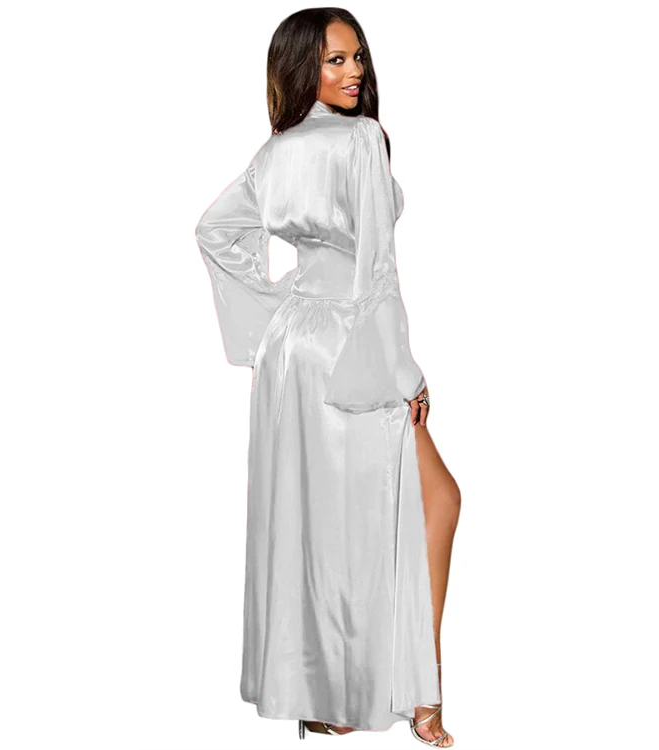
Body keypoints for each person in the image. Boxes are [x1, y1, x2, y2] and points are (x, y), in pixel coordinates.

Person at [195, 8, 460, 747]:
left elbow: (215, 230)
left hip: (293, 350)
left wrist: (273, 317)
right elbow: (377, 269)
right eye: (334, 60)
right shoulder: (362, 139)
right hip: (351, 344)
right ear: (301, 66)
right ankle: (420, 696)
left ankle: (334, 698)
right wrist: (405, 372)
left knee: (323, 522)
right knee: (411, 507)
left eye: (357, 58)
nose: (353, 72)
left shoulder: (277, 151)